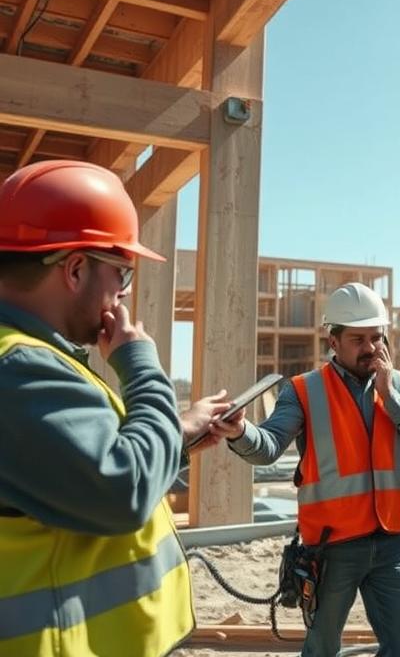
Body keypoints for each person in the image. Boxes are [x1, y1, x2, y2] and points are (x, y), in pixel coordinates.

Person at [0, 160, 234, 656]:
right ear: (76, 268)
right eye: (121, 271)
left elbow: (70, 471)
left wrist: (177, 431)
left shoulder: (31, 358)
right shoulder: (19, 368)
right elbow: (121, 488)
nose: (124, 291)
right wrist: (141, 367)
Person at [216, 282, 400, 657]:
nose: (370, 347)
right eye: (358, 339)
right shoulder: (304, 391)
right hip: (331, 547)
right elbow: (269, 447)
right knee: (321, 648)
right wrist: (240, 431)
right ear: (333, 341)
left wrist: (393, 399)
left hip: (394, 543)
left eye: (376, 337)